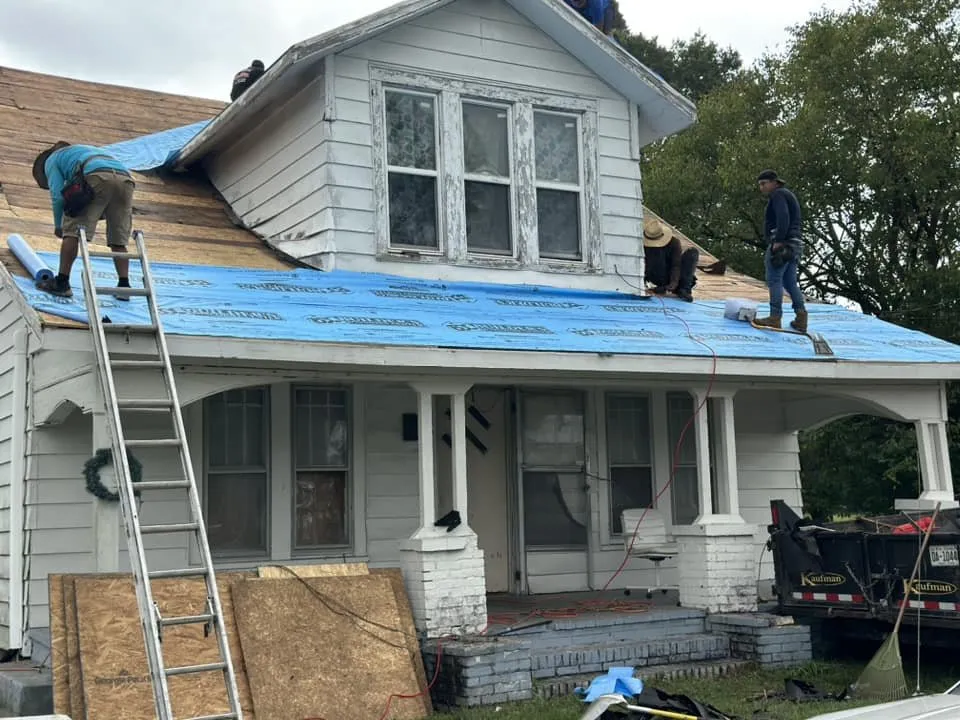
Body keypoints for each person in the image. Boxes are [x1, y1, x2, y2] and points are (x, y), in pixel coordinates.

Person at [31, 142, 134, 299]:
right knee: (118, 238)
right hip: (125, 180)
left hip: (96, 176)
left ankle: (62, 283)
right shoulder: (82, 151)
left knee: (72, 231)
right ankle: (124, 287)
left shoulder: (51, 160)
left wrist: (59, 225)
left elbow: (58, 197)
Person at [753, 170, 807, 332]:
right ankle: (801, 317)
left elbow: (783, 217)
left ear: (774, 182)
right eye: (760, 185)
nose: (762, 188)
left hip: (784, 243)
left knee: (774, 279)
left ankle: (775, 317)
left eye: (764, 184)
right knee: (790, 282)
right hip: (795, 243)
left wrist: (778, 240)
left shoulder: (778, 195)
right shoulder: (786, 194)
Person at [642, 218, 699, 302]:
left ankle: (684, 289)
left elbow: (676, 265)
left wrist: (673, 284)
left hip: (675, 275)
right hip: (658, 275)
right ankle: (673, 287)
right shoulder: (643, 245)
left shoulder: (674, 242)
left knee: (692, 252)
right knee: (657, 254)